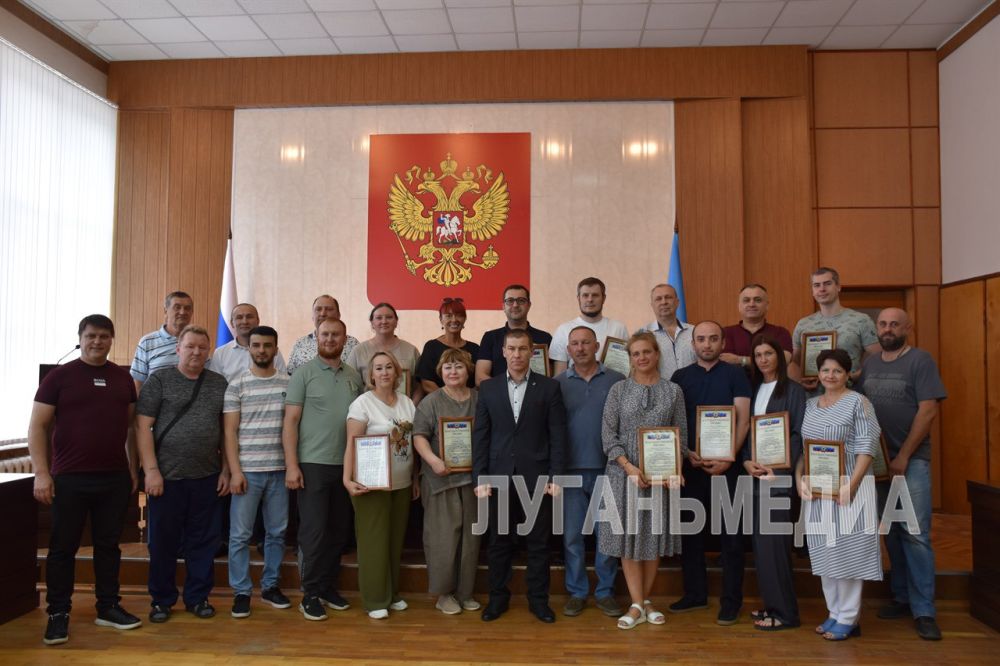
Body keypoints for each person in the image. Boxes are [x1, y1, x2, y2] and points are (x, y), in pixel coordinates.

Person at [29, 314, 142, 645]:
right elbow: (37, 426)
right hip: (68, 479)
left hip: (114, 479)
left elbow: (131, 428)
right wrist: (42, 473)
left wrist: (132, 468)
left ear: (111, 340)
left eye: (104, 336)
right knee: (62, 548)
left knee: (109, 547)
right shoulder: (59, 377)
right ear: (80, 339)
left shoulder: (123, 379)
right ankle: (58, 613)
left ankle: (108, 607)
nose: (97, 341)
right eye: (91, 335)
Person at [860, 308, 946, 641]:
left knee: (915, 534)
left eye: (894, 324)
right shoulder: (870, 364)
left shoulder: (920, 361)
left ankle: (924, 610)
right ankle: (901, 597)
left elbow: (928, 411)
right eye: (883, 324)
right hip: (879, 464)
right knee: (891, 532)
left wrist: (904, 455)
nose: (888, 329)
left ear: (907, 327)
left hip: (911, 462)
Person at [136, 325, 230, 623]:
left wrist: (226, 469)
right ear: (178, 349)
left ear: (208, 352)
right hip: (166, 478)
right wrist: (151, 471)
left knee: (203, 543)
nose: (196, 352)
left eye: (202, 347)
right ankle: (161, 601)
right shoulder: (159, 380)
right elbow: (142, 427)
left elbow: (226, 430)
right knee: (162, 542)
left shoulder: (218, 383)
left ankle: (198, 597)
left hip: (207, 476)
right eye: (190, 346)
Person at [473, 329, 567, 623]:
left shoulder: (549, 388)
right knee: (498, 542)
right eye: (511, 348)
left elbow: (558, 436)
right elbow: (481, 436)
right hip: (498, 477)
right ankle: (497, 600)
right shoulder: (488, 389)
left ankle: (539, 602)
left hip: (537, 477)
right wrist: (480, 477)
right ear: (503, 352)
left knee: (538, 543)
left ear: (532, 352)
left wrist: (556, 476)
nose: (516, 354)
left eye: (522, 349)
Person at [597, 331, 687, 630]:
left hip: (660, 479)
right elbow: (608, 436)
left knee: (653, 538)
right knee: (628, 539)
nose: (641, 357)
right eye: (635, 353)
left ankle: (643, 601)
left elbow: (681, 436)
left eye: (646, 351)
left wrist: (673, 469)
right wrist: (629, 468)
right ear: (630, 358)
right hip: (623, 476)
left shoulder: (673, 391)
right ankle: (638, 605)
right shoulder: (618, 390)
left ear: (656, 354)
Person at [795, 349, 882, 641]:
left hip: (849, 489)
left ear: (847, 374)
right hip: (818, 492)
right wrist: (799, 478)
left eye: (837, 371)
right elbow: (804, 449)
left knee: (849, 553)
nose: (830, 376)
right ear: (818, 373)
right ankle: (834, 612)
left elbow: (867, 447)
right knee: (824, 553)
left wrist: (851, 485)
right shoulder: (810, 405)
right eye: (825, 370)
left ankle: (849, 617)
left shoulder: (859, 402)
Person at [669, 321, 751, 625]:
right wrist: (686, 453)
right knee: (690, 535)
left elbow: (743, 420)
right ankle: (695, 594)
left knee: (732, 537)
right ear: (693, 344)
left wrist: (729, 457)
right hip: (691, 467)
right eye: (701, 339)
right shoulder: (680, 377)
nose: (707, 344)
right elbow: (675, 421)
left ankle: (731, 602)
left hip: (728, 468)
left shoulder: (736, 374)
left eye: (713, 339)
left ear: (723, 342)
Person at [283, 318, 363, 621]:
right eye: (325, 334)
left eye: (336, 335)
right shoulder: (303, 374)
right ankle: (310, 594)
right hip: (313, 464)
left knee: (338, 532)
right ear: (317, 337)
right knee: (314, 532)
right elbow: (290, 422)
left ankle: (328, 587)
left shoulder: (353, 376)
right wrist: (292, 465)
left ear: (345, 339)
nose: (330, 339)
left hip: (346, 465)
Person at [555, 326, 625, 618]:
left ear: (597, 346)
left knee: (606, 536)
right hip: (569, 472)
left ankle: (605, 592)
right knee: (572, 537)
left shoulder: (617, 380)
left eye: (586, 343)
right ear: (568, 350)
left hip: (608, 469)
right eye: (575, 344)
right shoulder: (557, 384)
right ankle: (577, 592)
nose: (580, 348)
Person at [223, 325, 292, 619]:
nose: (262, 350)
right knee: (240, 535)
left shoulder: (289, 383)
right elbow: (229, 431)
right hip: (247, 472)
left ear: (275, 348)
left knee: (277, 533)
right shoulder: (236, 384)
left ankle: (270, 586)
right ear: (249, 348)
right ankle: (241, 592)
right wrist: (235, 472)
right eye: (256, 345)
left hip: (279, 471)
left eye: (267, 345)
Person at [344, 351, 418, 620]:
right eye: (378, 368)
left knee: (394, 542)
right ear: (371, 375)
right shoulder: (362, 404)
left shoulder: (407, 403)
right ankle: (375, 599)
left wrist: (415, 477)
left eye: (389, 367)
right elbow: (351, 444)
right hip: (371, 485)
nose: (384, 372)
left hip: (402, 482)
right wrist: (347, 479)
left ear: (397, 372)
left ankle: (392, 594)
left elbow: (413, 443)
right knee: (373, 542)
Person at [741, 335, 806, 631]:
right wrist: (746, 460)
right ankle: (772, 604)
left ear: (779, 356)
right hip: (755, 475)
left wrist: (778, 464)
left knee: (776, 547)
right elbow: (747, 430)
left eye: (768, 353)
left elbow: (798, 433)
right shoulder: (753, 389)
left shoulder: (794, 391)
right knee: (762, 546)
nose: (763, 359)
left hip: (778, 477)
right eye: (758, 355)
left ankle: (785, 614)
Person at [412, 348, 482, 614]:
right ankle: (444, 594)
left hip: (472, 481)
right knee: (443, 539)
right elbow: (419, 436)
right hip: (440, 480)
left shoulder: (479, 399)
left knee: (470, 539)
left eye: (459, 366)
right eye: (448, 367)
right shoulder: (431, 402)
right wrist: (433, 461)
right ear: (440, 372)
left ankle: (465, 593)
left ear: (468, 371)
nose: (453, 372)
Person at [791, 267, 879, 392]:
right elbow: (795, 363)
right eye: (817, 285)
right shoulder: (803, 324)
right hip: (812, 397)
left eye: (827, 283)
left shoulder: (861, 320)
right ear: (813, 291)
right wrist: (799, 382)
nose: (822, 289)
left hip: (849, 394)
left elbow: (879, 358)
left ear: (838, 287)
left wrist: (855, 376)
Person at [475, 284, 552, 385]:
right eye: (510, 301)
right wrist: (512, 391)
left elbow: (553, 377)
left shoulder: (545, 338)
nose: (515, 305)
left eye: (521, 300)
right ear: (503, 306)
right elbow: (480, 377)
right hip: (499, 394)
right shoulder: (490, 337)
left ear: (529, 305)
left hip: (538, 394)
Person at [549, 277, 629, 375]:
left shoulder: (618, 328)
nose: (590, 299)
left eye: (595, 295)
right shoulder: (563, 330)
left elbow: (627, 368)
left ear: (603, 298)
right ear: (578, 298)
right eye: (585, 295)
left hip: (613, 384)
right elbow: (559, 374)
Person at [347, 302, 423, 404]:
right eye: (379, 318)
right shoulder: (358, 351)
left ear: (396, 322)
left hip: (403, 411)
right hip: (368, 410)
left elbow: (419, 386)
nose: (384, 321)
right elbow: (349, 386)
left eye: (389, 317)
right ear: (372, 323)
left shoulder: (411, 350)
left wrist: (410, 408)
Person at [130, 291, 193, 391]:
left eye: (187, 308)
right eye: (177, 307)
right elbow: (138, 385)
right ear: (165, 311)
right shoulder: (147, 342)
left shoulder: (199, 342)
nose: (182, 312)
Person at [721, 283, 793, 370]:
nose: (752, 304)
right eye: (746, 300)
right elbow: (723, 362)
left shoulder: (780, 332)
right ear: (739, 306)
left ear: (767, 305)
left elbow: (784, 360)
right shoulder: (725, 333)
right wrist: (767, 360)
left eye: (758, 300)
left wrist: (740, 360)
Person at [415, 297, 479, 393]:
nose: (454, 319)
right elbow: (427, 383)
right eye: (448, 316)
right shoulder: (431, 347)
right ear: (441, 319)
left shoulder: (475, 349)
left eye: (459, 315)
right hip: (438, 401)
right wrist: (448, 399)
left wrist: (465, 399)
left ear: (465, 319)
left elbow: (478, 382)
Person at [208, 303, 287, 381]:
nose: (245, 321)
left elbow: (282, 379)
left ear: (258, 321)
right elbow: (215, 383)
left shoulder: (271, 351)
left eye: (249, 317)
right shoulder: (220, 353)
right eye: (239, 317)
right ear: (232, 323)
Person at [287, 295, 359, 374]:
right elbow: (290, 374)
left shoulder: (353, 344)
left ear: (338, 315)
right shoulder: (300, 344)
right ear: (312, 316)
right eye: (318, 309)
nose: (323, 313)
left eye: (329, 309)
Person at [637, 284, 696, 380]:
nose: (664, 302)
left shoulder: (694, 332)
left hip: (695, 387)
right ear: (652, 305)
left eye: (668, 297)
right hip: (660, 389)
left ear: (677, 302)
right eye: (658, 299)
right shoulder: (642, 335)